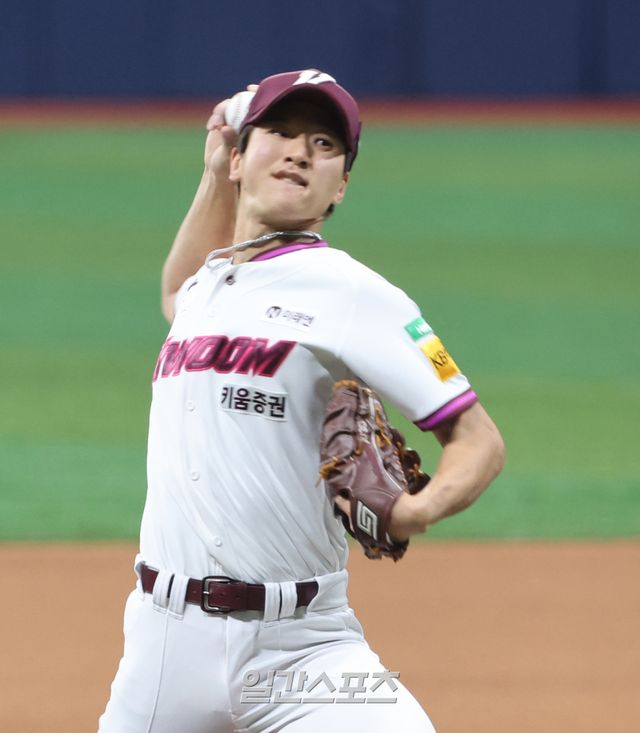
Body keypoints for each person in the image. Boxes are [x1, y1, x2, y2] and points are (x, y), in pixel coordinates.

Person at [98, 69, 505, 733]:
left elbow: (478, 438)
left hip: (304, 650)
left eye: (323, 144)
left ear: (339, 186)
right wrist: (212, 173)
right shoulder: (208, 286)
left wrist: (414, 511)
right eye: (281, 132)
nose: (299, 152)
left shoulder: (354, 294)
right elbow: (177, 292)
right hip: (163, 649)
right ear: (240, 157)